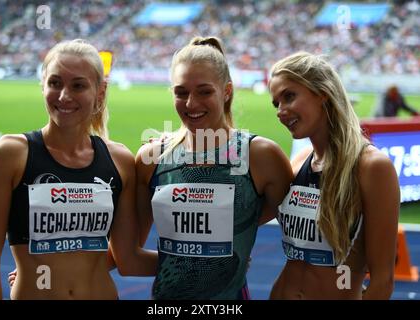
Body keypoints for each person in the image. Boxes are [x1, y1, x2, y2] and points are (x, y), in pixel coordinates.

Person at [0, 39, 156, 299]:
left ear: (100, 92)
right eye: (55, 83)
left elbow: (128, 259)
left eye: (78, 85)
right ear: (42, 86)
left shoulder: (119, 160)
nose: (64, 96)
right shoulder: (10, 155)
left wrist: (210, 261)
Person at [135, 36, 293, 299]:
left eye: (204, 91)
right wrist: (203, 265)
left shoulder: (261, 156)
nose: (191, 104)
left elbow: (287, 229)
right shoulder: (150, 159)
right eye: (181, 92)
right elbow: (128, 258)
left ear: (227, 90)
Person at [268, 51, 399, 299]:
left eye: (289, 96)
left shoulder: (372, 167)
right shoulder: (298, 162)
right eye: (277, 103)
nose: (281, 111)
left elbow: (383, 281)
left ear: (322, 94)